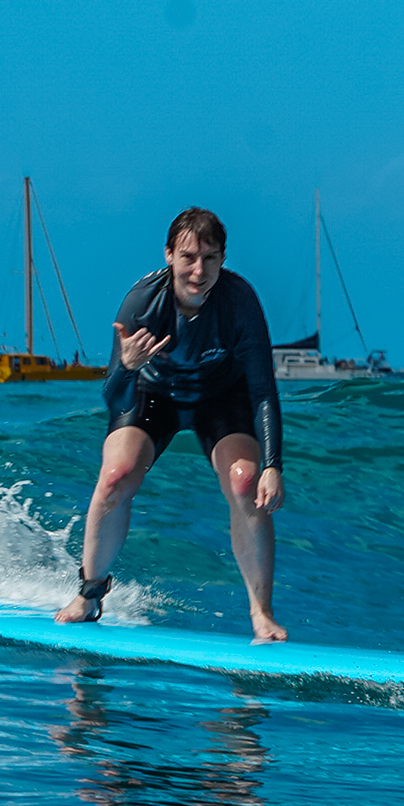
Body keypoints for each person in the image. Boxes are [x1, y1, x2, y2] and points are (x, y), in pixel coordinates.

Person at [58, 207, 289, 641]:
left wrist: (273, 464)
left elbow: (262, 391)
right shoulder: (143, 302)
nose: (198, 271)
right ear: (169, 255)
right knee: (115, 476)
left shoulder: (240, 302)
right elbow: (112, 397)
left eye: (210, 259)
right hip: (151, 395)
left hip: (221, 397)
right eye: (188, 257)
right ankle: (89, 595)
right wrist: (127, 366)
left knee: (245, 483)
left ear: (223, 259)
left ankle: (261, 612)